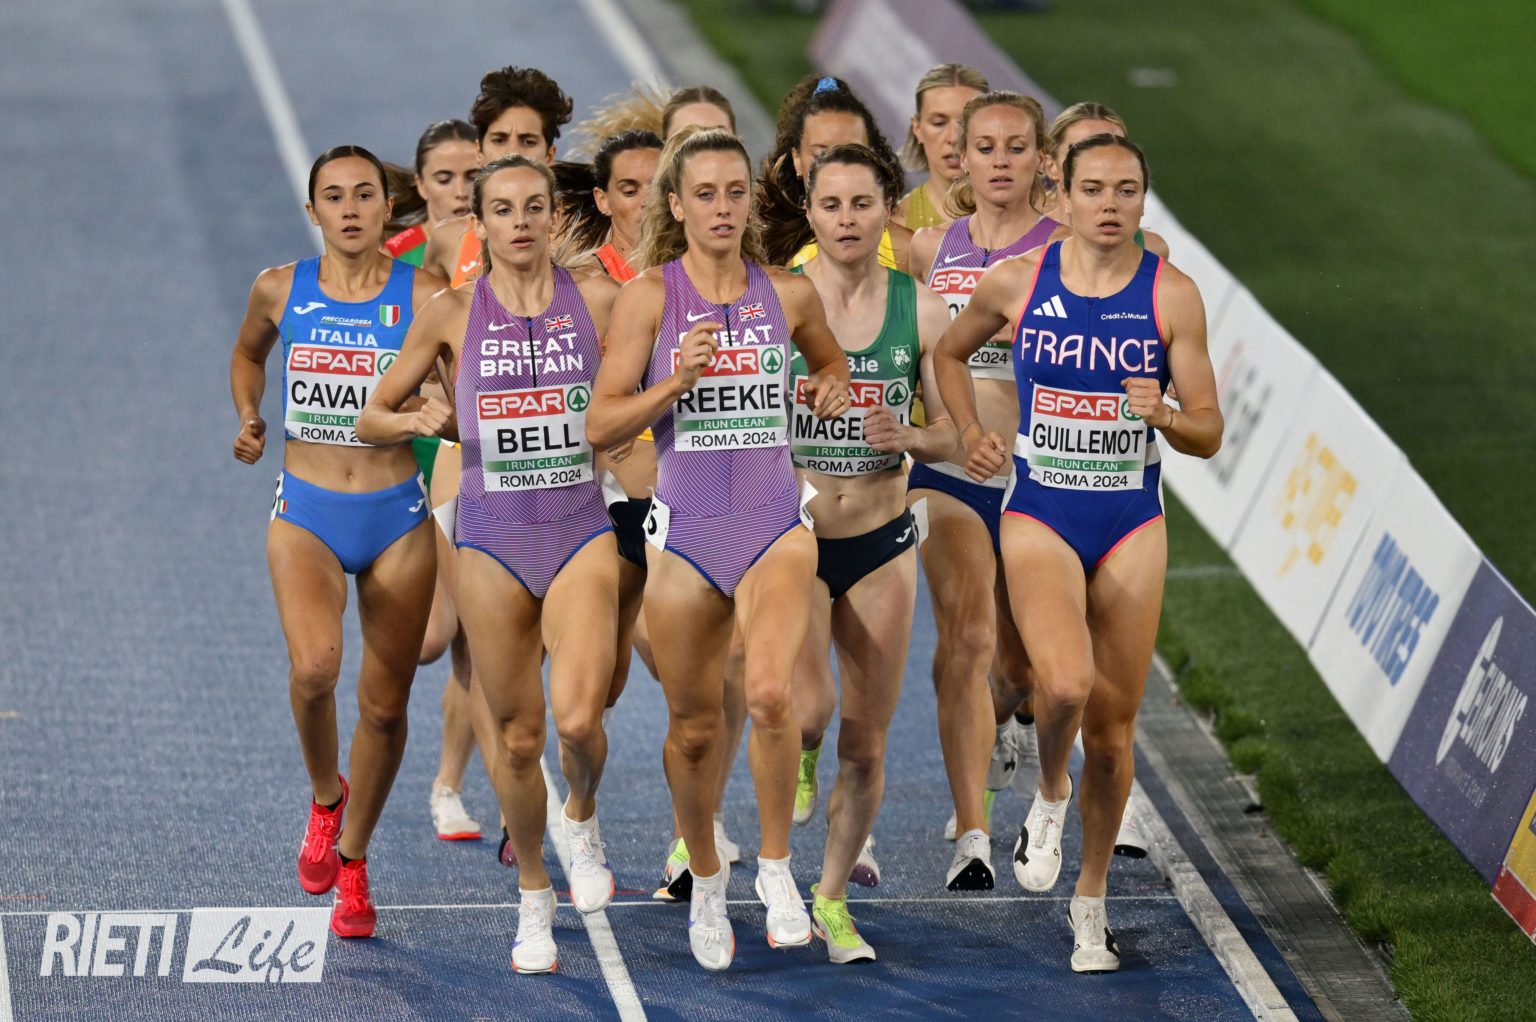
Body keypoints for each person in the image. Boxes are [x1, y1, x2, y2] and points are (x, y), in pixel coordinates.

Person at [935, 134, 1222, 972]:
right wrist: (968, 431)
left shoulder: (1172, 294)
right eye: (1093, 188)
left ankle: (1090, 900)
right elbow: (948, 352)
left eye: (1126, 190)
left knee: (1116, 729)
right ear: (1061, 196)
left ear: (1143, 200)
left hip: (1131, 516)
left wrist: (1165, 414)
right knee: (1062, 683)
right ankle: (1051, 790)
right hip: (1042, 509)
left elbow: (1209, 430)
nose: (1110, 204)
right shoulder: (1018, 281)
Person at [587, 127, 851, 970]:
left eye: (736, 192)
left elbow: (833, 365)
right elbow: (600, 422)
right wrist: (675, 381)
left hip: (774, 523)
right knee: (695, 729)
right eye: (705, 194)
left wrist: (829, 386)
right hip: (687, 533)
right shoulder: (648, 300)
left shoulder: (790, 293)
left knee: (771, 696)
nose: (723, 208)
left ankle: (774, 868)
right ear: (676, 204)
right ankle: (705, 875)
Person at [359, 155, 624, 974]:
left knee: (578, 722)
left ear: (555, 216)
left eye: (534, 207)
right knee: (516, 739)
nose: (520, 222)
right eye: (502, 210)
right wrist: (419, 418)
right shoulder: (451, 311)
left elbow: (645, 397)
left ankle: (581, 814)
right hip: (490, 537)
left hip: (580, 527)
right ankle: (535, 892)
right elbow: (372, 415)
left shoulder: (600, 299)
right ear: (479, 223)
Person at [229, 146, 446, 937]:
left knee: (385, 708)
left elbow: (457, 391)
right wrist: (250, 414)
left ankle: (353, 859)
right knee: (315, 668)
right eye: (334, 196)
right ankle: (328, 796)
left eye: (364, 194)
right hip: (309, 511)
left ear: (388, 208)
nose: (350, 209)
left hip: (398, 517)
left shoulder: (425, 293)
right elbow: (247, 354)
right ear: (313, 211)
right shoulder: (278, 288)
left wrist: (438, 412)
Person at [788, 144, 955, 962]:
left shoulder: (921, 309)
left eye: (862, 204)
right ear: (809, 212)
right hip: (795, 536)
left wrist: (910, 436)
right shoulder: (779, 302)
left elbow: (954, 434)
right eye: (831, 204)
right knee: (806, 709)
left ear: (889, 209)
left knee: (868, 741)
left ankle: (831, 899)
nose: (847, 219)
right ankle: (799, 759)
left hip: (883, 540)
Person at [905, 92, 1061, 890]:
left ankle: (1006, 725)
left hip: (1036, 476)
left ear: (1042, 159)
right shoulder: (927, 247)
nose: (1000, 161)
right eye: (986, 147)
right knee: (965, 640)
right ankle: (973, 835)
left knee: (1021, 670)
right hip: (950, 472)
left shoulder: (1067, 250)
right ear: (960, 157)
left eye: (1016, 147)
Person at [421, 66, 574, 289]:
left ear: (550, 155)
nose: (513, 152)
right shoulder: (447, 240)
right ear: (479, 152)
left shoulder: (580, 241)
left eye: (528, 141)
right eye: (499, 140)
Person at [758, 75, 911, 273]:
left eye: (852, 153)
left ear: (874, 159)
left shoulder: (909, 250)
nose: (838, 168)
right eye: (821, 155)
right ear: (796, 159)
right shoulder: (760, 242)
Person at [1041, 102, 1169, 260]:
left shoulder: (1152, 249)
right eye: (1080, 150)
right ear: (1051, 166)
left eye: (1115, 150)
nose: (1101, 162)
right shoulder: (1022, 243)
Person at [893, 64, 988, 231]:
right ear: (918, 129)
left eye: (967, 123)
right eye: (939, 123)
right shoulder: (896, 228)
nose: (954, 137)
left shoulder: (1026, 218)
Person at [385, 120, 479, 268]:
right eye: (444, 180)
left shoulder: (506, 245)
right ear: (421, 185)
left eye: (474, 178)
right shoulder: (394, 258)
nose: (461, 192)